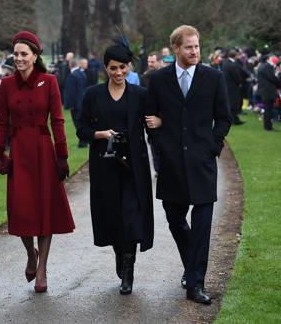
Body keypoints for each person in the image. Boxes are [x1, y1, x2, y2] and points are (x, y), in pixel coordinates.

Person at [146, 25, 231, 304]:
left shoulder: (213, 78)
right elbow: (150, 118)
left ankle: (195, 284)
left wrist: (212, 147)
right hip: (171, 164)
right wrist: (160, 144)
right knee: (175, 219)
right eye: (189, 47)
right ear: (176, 49)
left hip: (202, 164)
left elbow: (224, 118)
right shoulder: (158, 80)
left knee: (203, 225)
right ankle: (192, 266)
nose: (195, 51)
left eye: (197, 46)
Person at [0, 31, 75, 293]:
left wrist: (62, 156)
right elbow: (2, 121)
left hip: (42, 150)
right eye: (15, 54)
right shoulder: (6, 84)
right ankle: (31, 253)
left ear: (35, 56)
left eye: (23, 54)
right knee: (22, 210)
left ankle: (42, 270)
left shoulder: (49, 82)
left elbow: (58, 120)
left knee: (43, 211)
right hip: (19, 151)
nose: (18, 58)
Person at [76, 42, 158, 295]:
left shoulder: (140, 94)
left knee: (132, 217)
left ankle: (128, 269)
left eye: (122, 67)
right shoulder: (93, 95)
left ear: (128, 67)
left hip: (134, 166)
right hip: (105, 165)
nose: (118, 72)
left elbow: (154, 123)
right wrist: (99, 134)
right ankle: (119, 254)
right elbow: (82, 128)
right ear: (105, 68)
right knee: (112, 217)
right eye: (113, 68)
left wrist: (159, 121)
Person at [64, 58, 88, 147]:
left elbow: (71, 92)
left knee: (78, 124)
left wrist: (70, 105)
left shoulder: (72, 75)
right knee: (81, 123)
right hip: (82, 102)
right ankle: (84, 141)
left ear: (70, 64)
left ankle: (83, 142)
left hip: (76, 104)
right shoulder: (82, 73)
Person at [221, 49, 248, 125]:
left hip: (227, 85)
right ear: (235, 56)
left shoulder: (226, 62)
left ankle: (235, 119)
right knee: (233, 103)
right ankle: (233, 120)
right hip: (233, 86)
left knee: (231, 103)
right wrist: (240, 82)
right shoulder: (231, 65)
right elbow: (236, 76)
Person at [257, 55, 281, 131]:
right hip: (267, 91)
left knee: (268, 108)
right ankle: (267, 126)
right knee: (268, 109)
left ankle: (268, 125)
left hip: (266, 90)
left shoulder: (263, 66)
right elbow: (272, 78)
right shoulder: (267, 67)